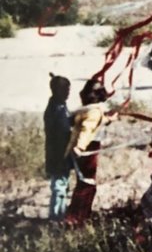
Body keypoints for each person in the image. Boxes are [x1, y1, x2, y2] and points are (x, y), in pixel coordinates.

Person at [64, 77, 111, 227]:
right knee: (87, 183)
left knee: (85, 182)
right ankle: (77, 218)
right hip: (88, 149)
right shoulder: (94, 111)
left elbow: (94, 123)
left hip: (86, 148)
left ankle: (78, 215)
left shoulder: (89, 109)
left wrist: (108, 119)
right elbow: (87, 129)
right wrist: (80, 147)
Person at [43, 74, 72, 222]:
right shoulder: (55, 110)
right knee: (59, 187)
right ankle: (55, 218)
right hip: (58, 155)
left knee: (62, 186)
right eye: (65, 90)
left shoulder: (60, 106)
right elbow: (62, 132)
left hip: (61, 155)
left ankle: (60, 214)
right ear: (57, 91)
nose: (68, 93)